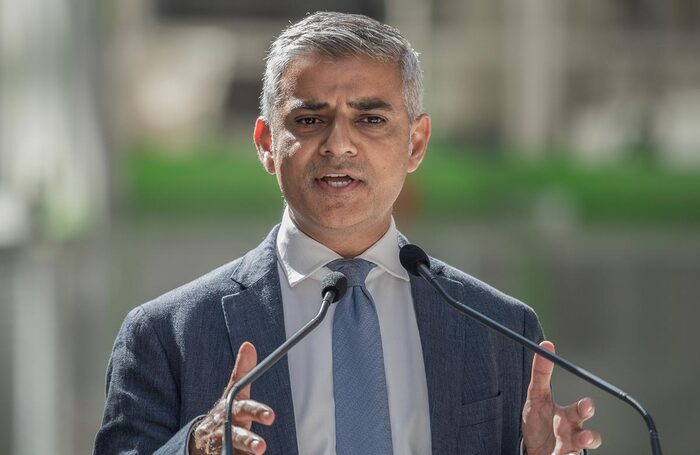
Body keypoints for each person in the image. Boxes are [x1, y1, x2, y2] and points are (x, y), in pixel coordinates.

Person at [94, 11, 602, 455]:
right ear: (267, 143)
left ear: (416, 142)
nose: (339, 144)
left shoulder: (501, 330)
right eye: (310, 118)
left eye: (372, 119)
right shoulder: (165, 335)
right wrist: (196, 447)